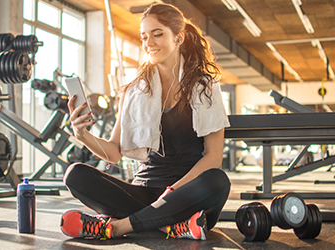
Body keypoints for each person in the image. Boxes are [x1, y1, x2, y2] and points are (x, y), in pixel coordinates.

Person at [60, 3, 231, 241]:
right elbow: (113, 154)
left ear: (178, 38)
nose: (149, 42)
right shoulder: (133, 91)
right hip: (143, 191)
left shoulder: (205, 87)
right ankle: (166, 225)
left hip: (186, 194)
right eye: (144, 37)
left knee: (218, 181)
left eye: (157, 34)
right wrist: (82, 135)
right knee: (75, 174)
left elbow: (213, 157)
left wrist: (171, 193)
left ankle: (118, 227)